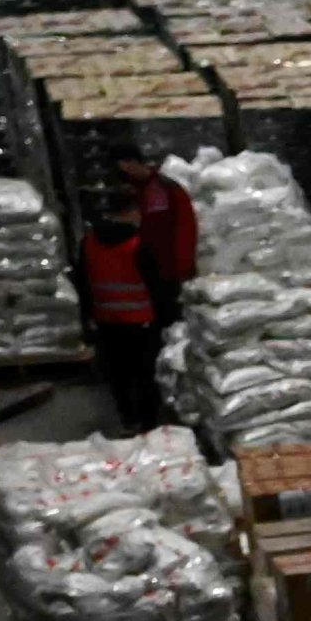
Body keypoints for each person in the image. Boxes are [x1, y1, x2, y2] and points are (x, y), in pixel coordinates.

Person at [77, 195, 168, 433]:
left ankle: (128, 419)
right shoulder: (139, 244)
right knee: (145, 375)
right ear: (129, 212)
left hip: (106, 321)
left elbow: (82, 284)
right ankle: (149, 423)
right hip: (142, 322)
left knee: (119, 375)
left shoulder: (88, 243)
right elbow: (156, 286)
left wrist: (88, 321)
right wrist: (165, 317)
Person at [110, 152, 198, 328]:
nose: (126, 171)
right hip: (139, 270)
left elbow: (185, 227)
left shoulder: (165, 189)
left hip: (167, 267)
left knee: (170, 318)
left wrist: (183, 267)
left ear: (135, 161)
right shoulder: (129, 190)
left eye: (127, 166)